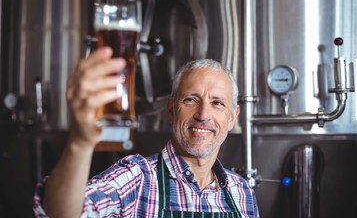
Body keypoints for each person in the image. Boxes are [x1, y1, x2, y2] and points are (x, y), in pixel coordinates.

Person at [33, 47, 259, 217]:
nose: (203, 114)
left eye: (217, 103)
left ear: (232, 118)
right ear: (171, 110)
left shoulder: (242, 192)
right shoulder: (136, 177)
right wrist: (79, 142)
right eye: (191, 99)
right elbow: (61, 213)